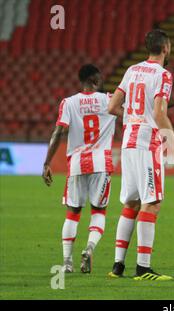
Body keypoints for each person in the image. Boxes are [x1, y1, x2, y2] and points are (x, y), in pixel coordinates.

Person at [107, 29, 174, 281]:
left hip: (129, 142)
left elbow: (112, 107)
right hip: (147, 143)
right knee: (151, 203)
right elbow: (159, 114)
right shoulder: (163, 75)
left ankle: (117, 266)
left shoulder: (132, 70)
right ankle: (143, 268)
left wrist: (133, 120)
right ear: (166, 48)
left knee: (131, 202)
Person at [42, 64, 116, 274]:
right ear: (94, 79)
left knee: (73, 213)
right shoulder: (109, 99)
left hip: (76, 163)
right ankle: (89, 248)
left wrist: (47, 162)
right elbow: (138, 109)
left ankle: (67, 262)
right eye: (99, 78)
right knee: (99, 210)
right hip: (101, 163)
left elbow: (58, 133)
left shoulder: (69, 103)